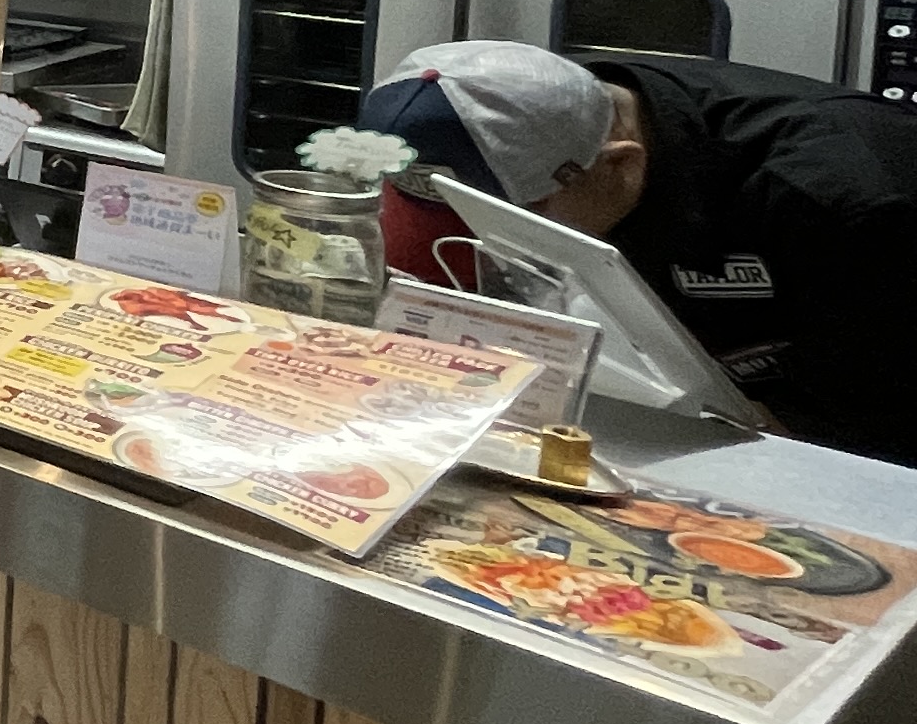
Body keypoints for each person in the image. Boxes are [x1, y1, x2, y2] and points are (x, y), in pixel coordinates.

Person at [353, 40, 917, 461]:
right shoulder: (532, 100)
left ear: (620, 163)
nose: (492, 237)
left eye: (524, 215)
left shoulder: (844, 204)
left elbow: (858, 443)